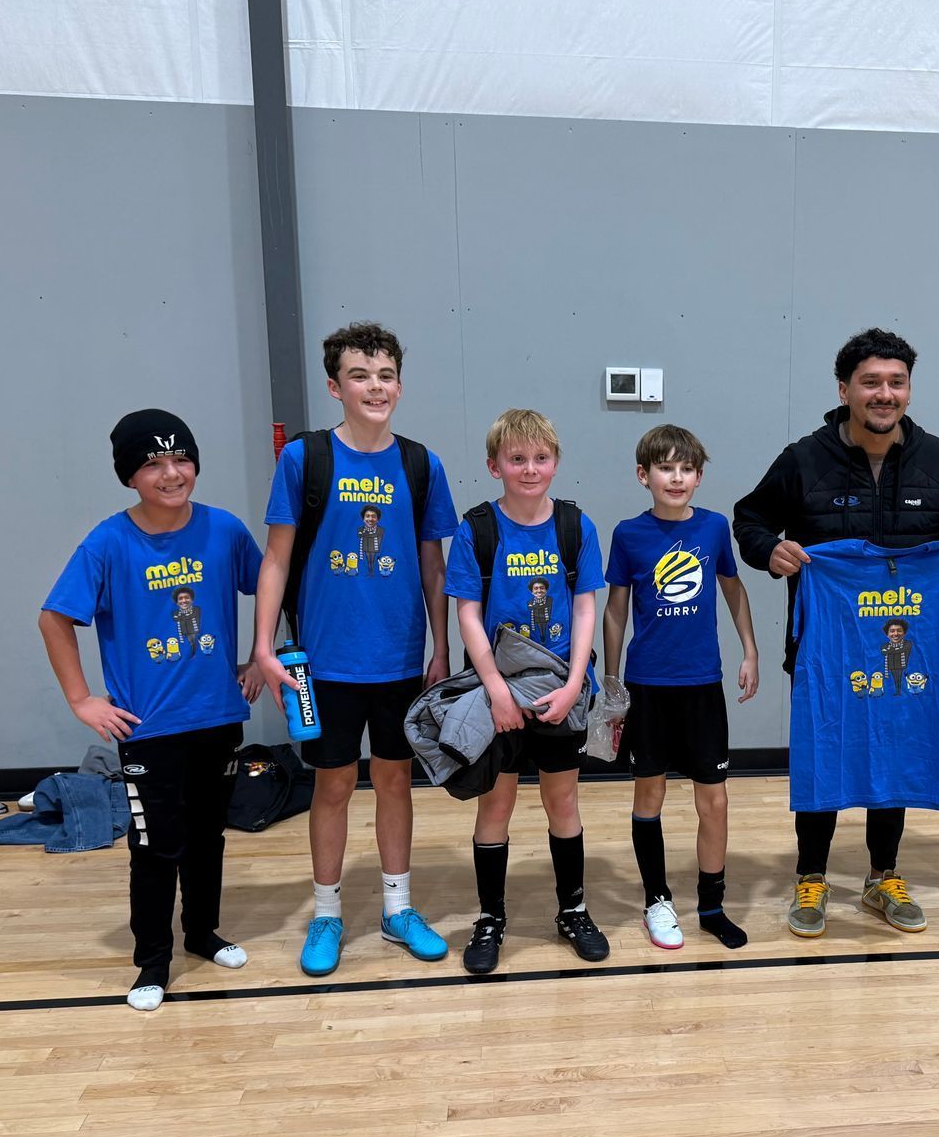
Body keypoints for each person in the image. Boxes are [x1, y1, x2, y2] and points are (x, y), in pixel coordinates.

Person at [733, 328, 939, 938]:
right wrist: (772, 550)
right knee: (825, 747)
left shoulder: (938, 457)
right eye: (872, 382)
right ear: (845, 389)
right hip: (828, 642)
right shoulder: (804, 458)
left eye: (896, 382)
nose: (885, 393)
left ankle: (881, 875)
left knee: (893, 746)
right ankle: (811, 877)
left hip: (909, 641)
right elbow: (750, 519)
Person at [252, 322, 459, 977]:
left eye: (386, 375)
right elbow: (276, 560)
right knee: (334, 785)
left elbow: (434, 567)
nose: (375, 387)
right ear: (335, 386)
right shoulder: (305, 460)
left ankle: (397, 908)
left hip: (399, 659)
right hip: (325, 660)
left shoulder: (421, 465)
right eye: (361, 376)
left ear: (400, 384)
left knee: (396, 779)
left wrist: (441, 647)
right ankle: (327, 912)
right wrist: (262, 645)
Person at [39, 409, 262, 1011]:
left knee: (208, 836)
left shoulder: (226, 531)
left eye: (181, 459)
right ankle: (152, 961)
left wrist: (259, 658)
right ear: (130, 476)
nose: (172, 473)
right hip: (149, 728)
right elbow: (54, 617)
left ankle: (201, 934)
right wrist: (82, 699)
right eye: (154, 464)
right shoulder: (109, 542)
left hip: (218, 717)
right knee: (156, 846)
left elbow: (274, 587)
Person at [445, 408, 608, 975]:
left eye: (540, 458)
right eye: (517, 459)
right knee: (498, 804)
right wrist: (494, 690)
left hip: (558, 691)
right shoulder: (477, 530)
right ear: (495, 466)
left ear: (556, 463)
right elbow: (467, 614)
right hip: (501, 696)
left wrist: (573, 684)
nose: (529, 468)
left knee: (562, 802)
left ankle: (574, 909)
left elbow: (586, 606)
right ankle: (490, 918)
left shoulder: (574, 526)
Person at [602, 424, 760, 951]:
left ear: (698, 475)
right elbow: (616, 610)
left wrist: (750, 652)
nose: (677, 477)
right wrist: (611, 680)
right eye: (665, 468)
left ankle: (712, 905)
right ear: (643, 475)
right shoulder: (628, 534)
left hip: (701, 687)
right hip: (647, 687)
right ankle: (656, 902)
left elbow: (734, 591)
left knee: (713, 801)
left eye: (686, 468)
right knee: (650, 794)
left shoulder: (714, 528)